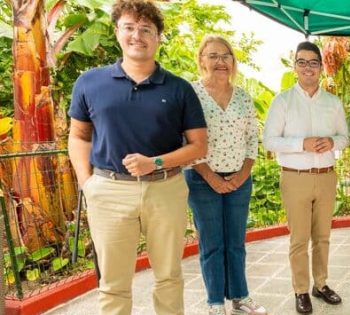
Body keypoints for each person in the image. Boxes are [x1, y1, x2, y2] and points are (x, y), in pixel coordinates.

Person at [67, 0, 207, 314]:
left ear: (158, 37)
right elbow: (78, 136)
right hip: (109, 190)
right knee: (113, 283)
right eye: (129, 27)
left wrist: (155, 162)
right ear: (117, 32)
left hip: (165, 189)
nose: (137, 35)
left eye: (146, 29)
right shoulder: (90, 83)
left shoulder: (179, 88)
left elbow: (199, 146)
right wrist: (87, 183)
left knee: (169, 275)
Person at [263, 41, 348, 314]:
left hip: (325, 176)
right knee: (299, 239)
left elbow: (345, 138)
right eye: (302, 62)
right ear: (295, 65)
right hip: (295, 177)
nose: (308, 67)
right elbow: (269, 140)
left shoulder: (332, 102)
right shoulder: (282, 101)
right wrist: (303, 143)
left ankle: (320, 284)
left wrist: (330, 141)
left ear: (321, 67)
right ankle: (301, 290)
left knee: (322, 236)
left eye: (313, 62)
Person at [186, 35, 266, 315]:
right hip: (201, 179)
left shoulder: (243, 96)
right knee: (211, 243)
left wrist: (242, 174)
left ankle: (240, 297)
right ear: (201, 60)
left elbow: (251, 140)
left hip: (239, 180)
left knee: (236, 242)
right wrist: (211, 177)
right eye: (213, 56)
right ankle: (215, 303)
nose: (221, 62)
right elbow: (185, 140)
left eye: (226, 56)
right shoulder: (191, 94)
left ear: (233, 62)